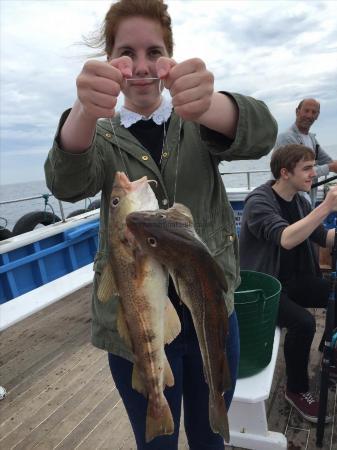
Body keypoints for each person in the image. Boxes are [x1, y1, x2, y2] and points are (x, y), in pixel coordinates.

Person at [44, 1, 277, 448]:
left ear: (170, 58)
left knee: (211, 437)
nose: (141, 66)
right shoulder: (100, 133)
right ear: (109, 61)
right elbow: (67, 183)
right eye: (126, 53)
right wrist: (82, 112)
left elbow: (262, 134)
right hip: (135, 331)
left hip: (211, 315)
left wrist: (213, 106)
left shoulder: (198, 123)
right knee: (155, 442)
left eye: (154, 51)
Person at [239, 144, 337, 424]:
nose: (312, 174)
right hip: (263, 288)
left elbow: (322, 236)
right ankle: (296, 390)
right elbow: (285, 238)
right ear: (285, 172)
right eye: (306, 169)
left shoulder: (300, 201)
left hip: (295, 280)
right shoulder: (258, 202)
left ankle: (331, 357)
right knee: (303, 323)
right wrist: (327, 205)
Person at [275, 98, 337, 205]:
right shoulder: (286, 138)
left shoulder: (312, 139)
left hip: (307, 202)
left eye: (314, 112)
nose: (309, 115)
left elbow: (329, 161)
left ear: (317, 116)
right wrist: (330, 167)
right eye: (306, 111)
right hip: (288, 202)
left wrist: (332, 166)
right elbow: (296, 171)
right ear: (297, 111)